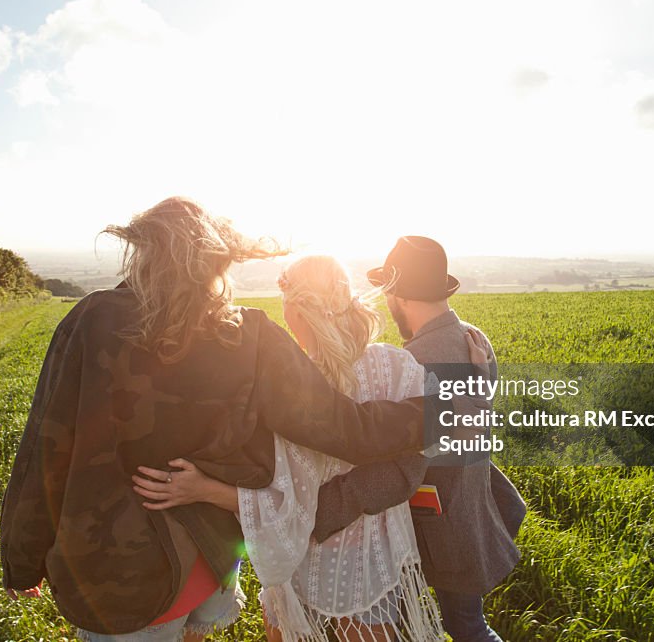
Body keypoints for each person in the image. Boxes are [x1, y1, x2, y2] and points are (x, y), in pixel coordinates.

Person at [0, 199, 429, 641]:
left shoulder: (91, 321)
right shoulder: (252, 334)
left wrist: (22, 556)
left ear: (144, 253)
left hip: (124, 578)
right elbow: (346, 428)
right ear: (215, 261)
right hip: (212, 562)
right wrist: (437, 414)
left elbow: (46, 447)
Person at [132, 256, 447, 642]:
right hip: (371, 565)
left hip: (302, 566)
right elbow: (429, 442)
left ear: (297, 312)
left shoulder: (289, 394)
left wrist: (201, 489)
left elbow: (281, 504)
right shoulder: (399, 367)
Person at [310, 236, 527, 642]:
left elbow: (402, 470)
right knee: (460, 622)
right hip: (470, 511)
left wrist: (319, 511)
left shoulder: (419, 362)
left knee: (465, 628)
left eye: (390, 295)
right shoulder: (474, 339)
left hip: (442, 528)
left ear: (398, 295)